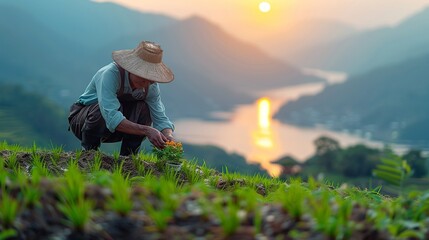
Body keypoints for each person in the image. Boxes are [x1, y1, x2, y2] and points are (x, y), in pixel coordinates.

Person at [68, 41, 175, 156]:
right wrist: (146, 130)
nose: (147, 82)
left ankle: (128, 158)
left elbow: (160, 117)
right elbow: (111, 117)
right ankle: (89, 153)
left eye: (151, 78)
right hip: (85, 122)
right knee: (100, 110)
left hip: (118, 128)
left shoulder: (151, 86)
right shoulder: (110, 75)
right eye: (143, 75)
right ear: (131, 68)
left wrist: (168, 136)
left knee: (144, 108)